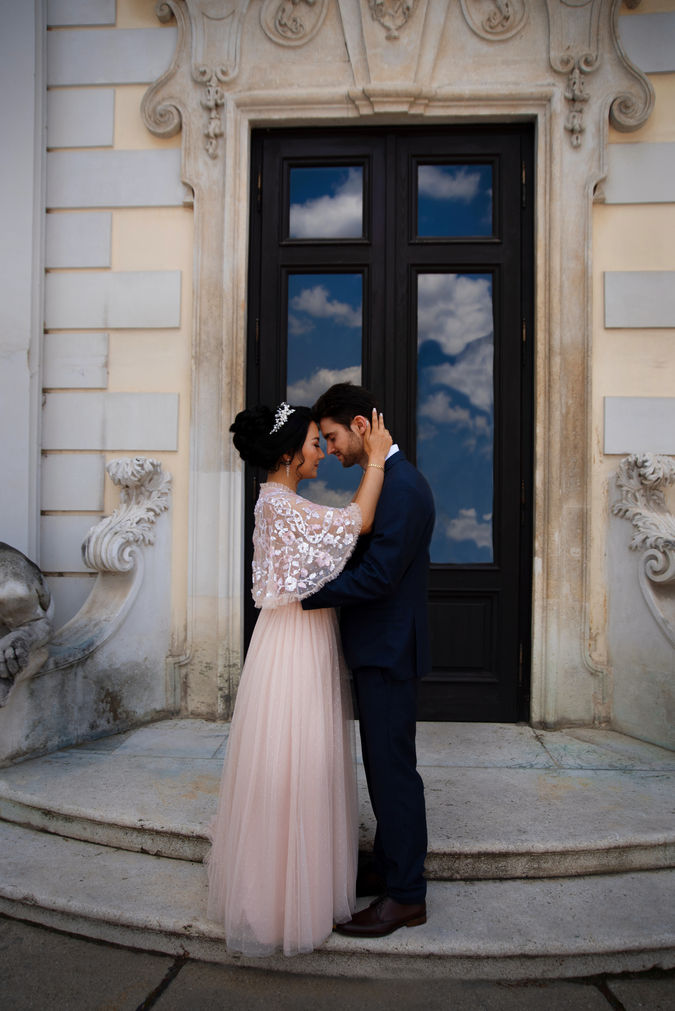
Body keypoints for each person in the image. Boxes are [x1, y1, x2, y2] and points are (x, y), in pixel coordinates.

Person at [206, 400, 392, 957]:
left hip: (286, 638)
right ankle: (284, 904)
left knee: (288, 761)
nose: (322, 453)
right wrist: (377, 460)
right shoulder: (282, 505)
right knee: (297, 761)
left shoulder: (278, 502)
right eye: (315, 444)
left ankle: (279, 891)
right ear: (289, 456)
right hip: (295, 645)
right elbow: (358, 522)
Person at [302, 382, 435, 938]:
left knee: (392, 772)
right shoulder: (388, 479)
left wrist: (308, 593)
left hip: (387, 650)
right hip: (379, 648)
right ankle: (386, 866)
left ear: (360, 426)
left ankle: (405, 896)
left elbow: (379, 577)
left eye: (331, 437)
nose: (329, 449)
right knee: (384, 766)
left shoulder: (402, 487)